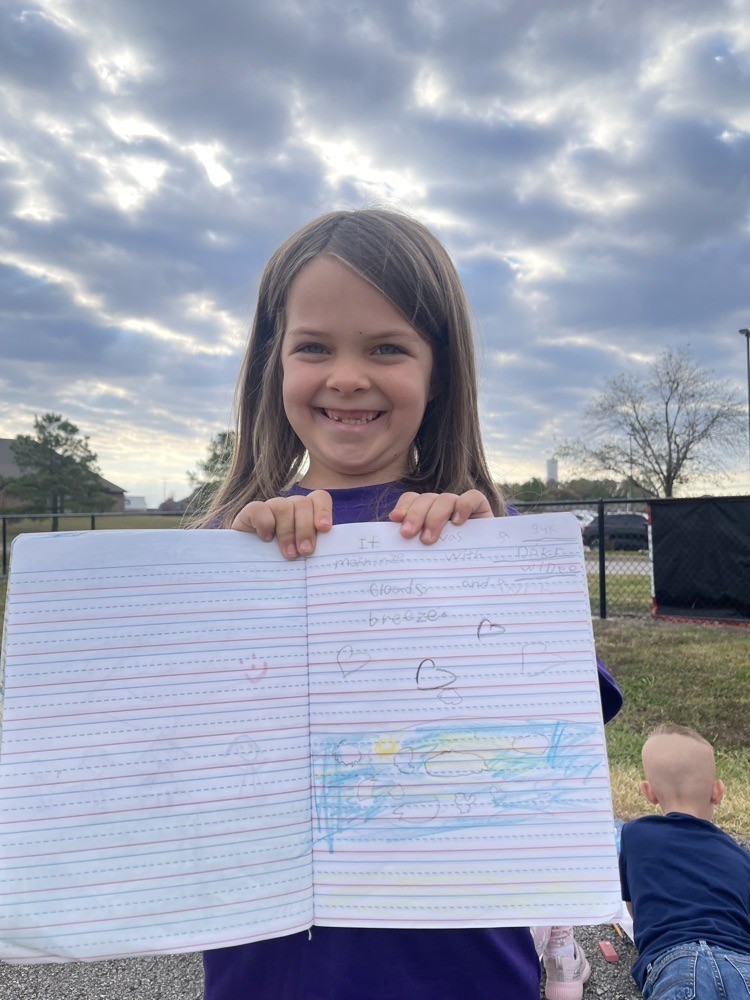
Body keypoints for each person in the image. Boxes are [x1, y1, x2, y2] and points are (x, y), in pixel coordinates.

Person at [198, 208, 623, 1000]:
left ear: (439, 373)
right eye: (314, 347)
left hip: (463, 968)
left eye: (387, 348)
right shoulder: (230, 547)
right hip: (273, 973)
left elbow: (571, 721)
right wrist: (238, 579)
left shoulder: (480, 538)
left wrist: (478, 582)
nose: (347, 376)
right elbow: (180, 745)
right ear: (272, 366)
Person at [619, 723, 750, 999]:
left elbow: (636, 909)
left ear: (648, 792)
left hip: (676, 962)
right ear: (718, 791)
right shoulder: (741, 856)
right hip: (742, 964)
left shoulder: (636, 834)